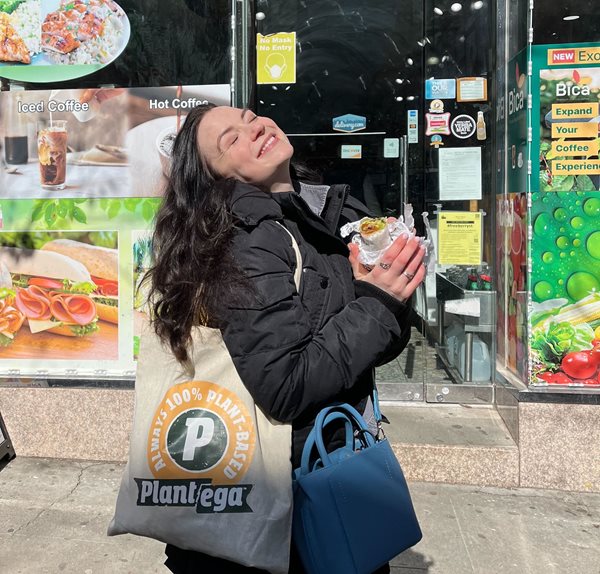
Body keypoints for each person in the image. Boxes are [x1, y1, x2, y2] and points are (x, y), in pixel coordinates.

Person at [146, 103, 426, 573]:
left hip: (330, 466)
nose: (252, 128)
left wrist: (384, 295)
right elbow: (285, 386)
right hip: (286, 497)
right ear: (216, 177)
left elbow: (372, 344)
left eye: (248, 117)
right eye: (230, 140)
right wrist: (377, 302)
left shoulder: (330, 210)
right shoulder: (246, 238)